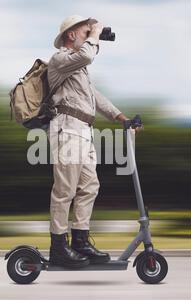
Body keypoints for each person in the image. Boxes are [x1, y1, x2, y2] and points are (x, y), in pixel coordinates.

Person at [46, 15, 139, 268]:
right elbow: (87, 55)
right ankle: (58, 247)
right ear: (70, 35)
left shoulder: (79, 68)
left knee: (89, 187)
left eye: (90, 31)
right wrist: (95, 34)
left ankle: (80, 241)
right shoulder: (60, 60)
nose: (89, 34)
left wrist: (121, 117)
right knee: (64, 191)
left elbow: (94, 96)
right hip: (67, 130)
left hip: (83, 131)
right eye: (84, 31)